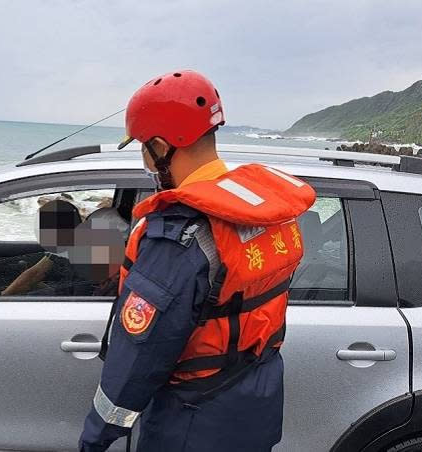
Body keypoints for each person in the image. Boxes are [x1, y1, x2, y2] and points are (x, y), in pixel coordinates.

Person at [79, 70, 316, 451]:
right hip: (258, 401)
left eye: (142, 145)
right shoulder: (267, 213)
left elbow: (139, 356)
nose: (143, 155)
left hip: (194, 420)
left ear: (161, 145)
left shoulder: (179, 236)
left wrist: (95, 437)